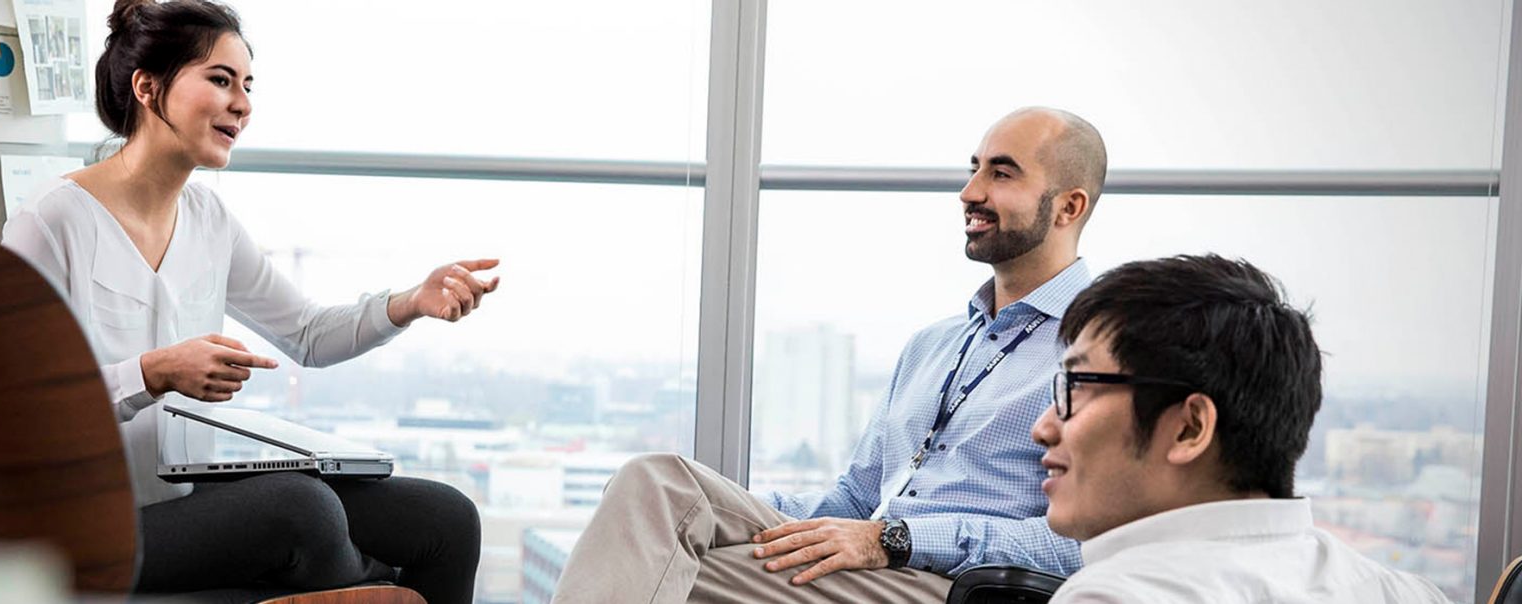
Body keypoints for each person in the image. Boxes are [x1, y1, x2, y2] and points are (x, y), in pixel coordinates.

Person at [0, 1, 490, 600]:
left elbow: (308, 335)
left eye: (248, 85)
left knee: (446, 518)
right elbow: (15, 416)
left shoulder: (208, 219)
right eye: (220, 80)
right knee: (301, 509)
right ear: (148, 88)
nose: (243, 104)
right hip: (81, 530)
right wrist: (151, 374)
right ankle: (376, 588)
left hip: (180, 500)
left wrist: (411, 301)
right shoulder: (51, 221)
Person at [551, 107, 1104, 602]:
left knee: (656, 568)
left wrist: (898, 540)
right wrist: (709, 514)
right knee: (654, 489)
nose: (970, 192)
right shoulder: (934, 344)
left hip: (952, 584)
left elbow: (1088, 541)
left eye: (1001, 173)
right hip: (870, 560)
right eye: (974, 168)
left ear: (1068, 206)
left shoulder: (1099, 348)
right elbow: (857, 499)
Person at [1031, 255, 1448, 603]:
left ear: (1190, 428)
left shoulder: (1117, 595)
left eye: (1078, 385)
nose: (1043, 427)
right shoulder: (1409, 592)